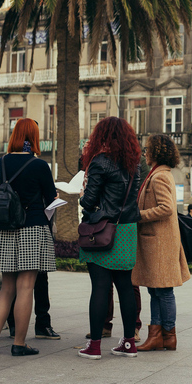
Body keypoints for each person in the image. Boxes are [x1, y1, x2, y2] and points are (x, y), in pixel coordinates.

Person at [0, 118, 57, 356]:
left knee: (6, 289)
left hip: (7, 228)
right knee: (26, 288)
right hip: (32, 227)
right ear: (33, 137)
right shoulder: (40, 165)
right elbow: (50, 199)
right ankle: (19, 344)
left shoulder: (2, 161)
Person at [77, 117, 141, 359]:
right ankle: (128, 343)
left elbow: (89, 201)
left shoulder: (100, 162)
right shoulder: (136, 163)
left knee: (100, 287)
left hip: (104, 230)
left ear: (102, 136)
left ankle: (94, 346)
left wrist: (83, 193)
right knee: (125, 286)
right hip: (126, 229)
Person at [134, 134, 190, 352]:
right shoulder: (159, 174)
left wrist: (140, 215)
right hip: (158, 242)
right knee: (156, 291)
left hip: (160, 243)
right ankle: (157, 336)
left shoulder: (159, 177)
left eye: (148, 149)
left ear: (156, 152)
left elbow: (167, 208)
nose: (145, 152)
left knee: (163, 291)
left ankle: (168, 335)